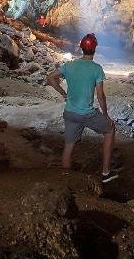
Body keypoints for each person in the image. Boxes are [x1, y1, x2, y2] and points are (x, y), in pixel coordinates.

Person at [46, 33, 118, 182]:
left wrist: (63, 93)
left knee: (68, 146)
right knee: (110, 129)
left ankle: (65, 179)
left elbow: (50, 77)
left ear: (81, 48)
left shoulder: (70, 65)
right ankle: (105, 172)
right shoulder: (97, 69)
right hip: (87, 114)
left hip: (70, 113)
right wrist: (105, 115)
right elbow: (100, 95)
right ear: (95, 49)